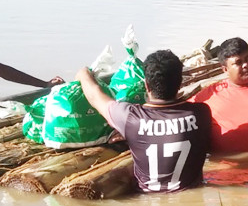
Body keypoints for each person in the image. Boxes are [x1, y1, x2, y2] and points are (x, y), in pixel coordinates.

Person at [77, 50, 211, 193]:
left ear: (146, 85)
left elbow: (94, 97)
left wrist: (84, 74)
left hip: (147, 198)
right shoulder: (201, 113)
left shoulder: (131, 118)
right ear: (180, 83)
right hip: (190, 194)